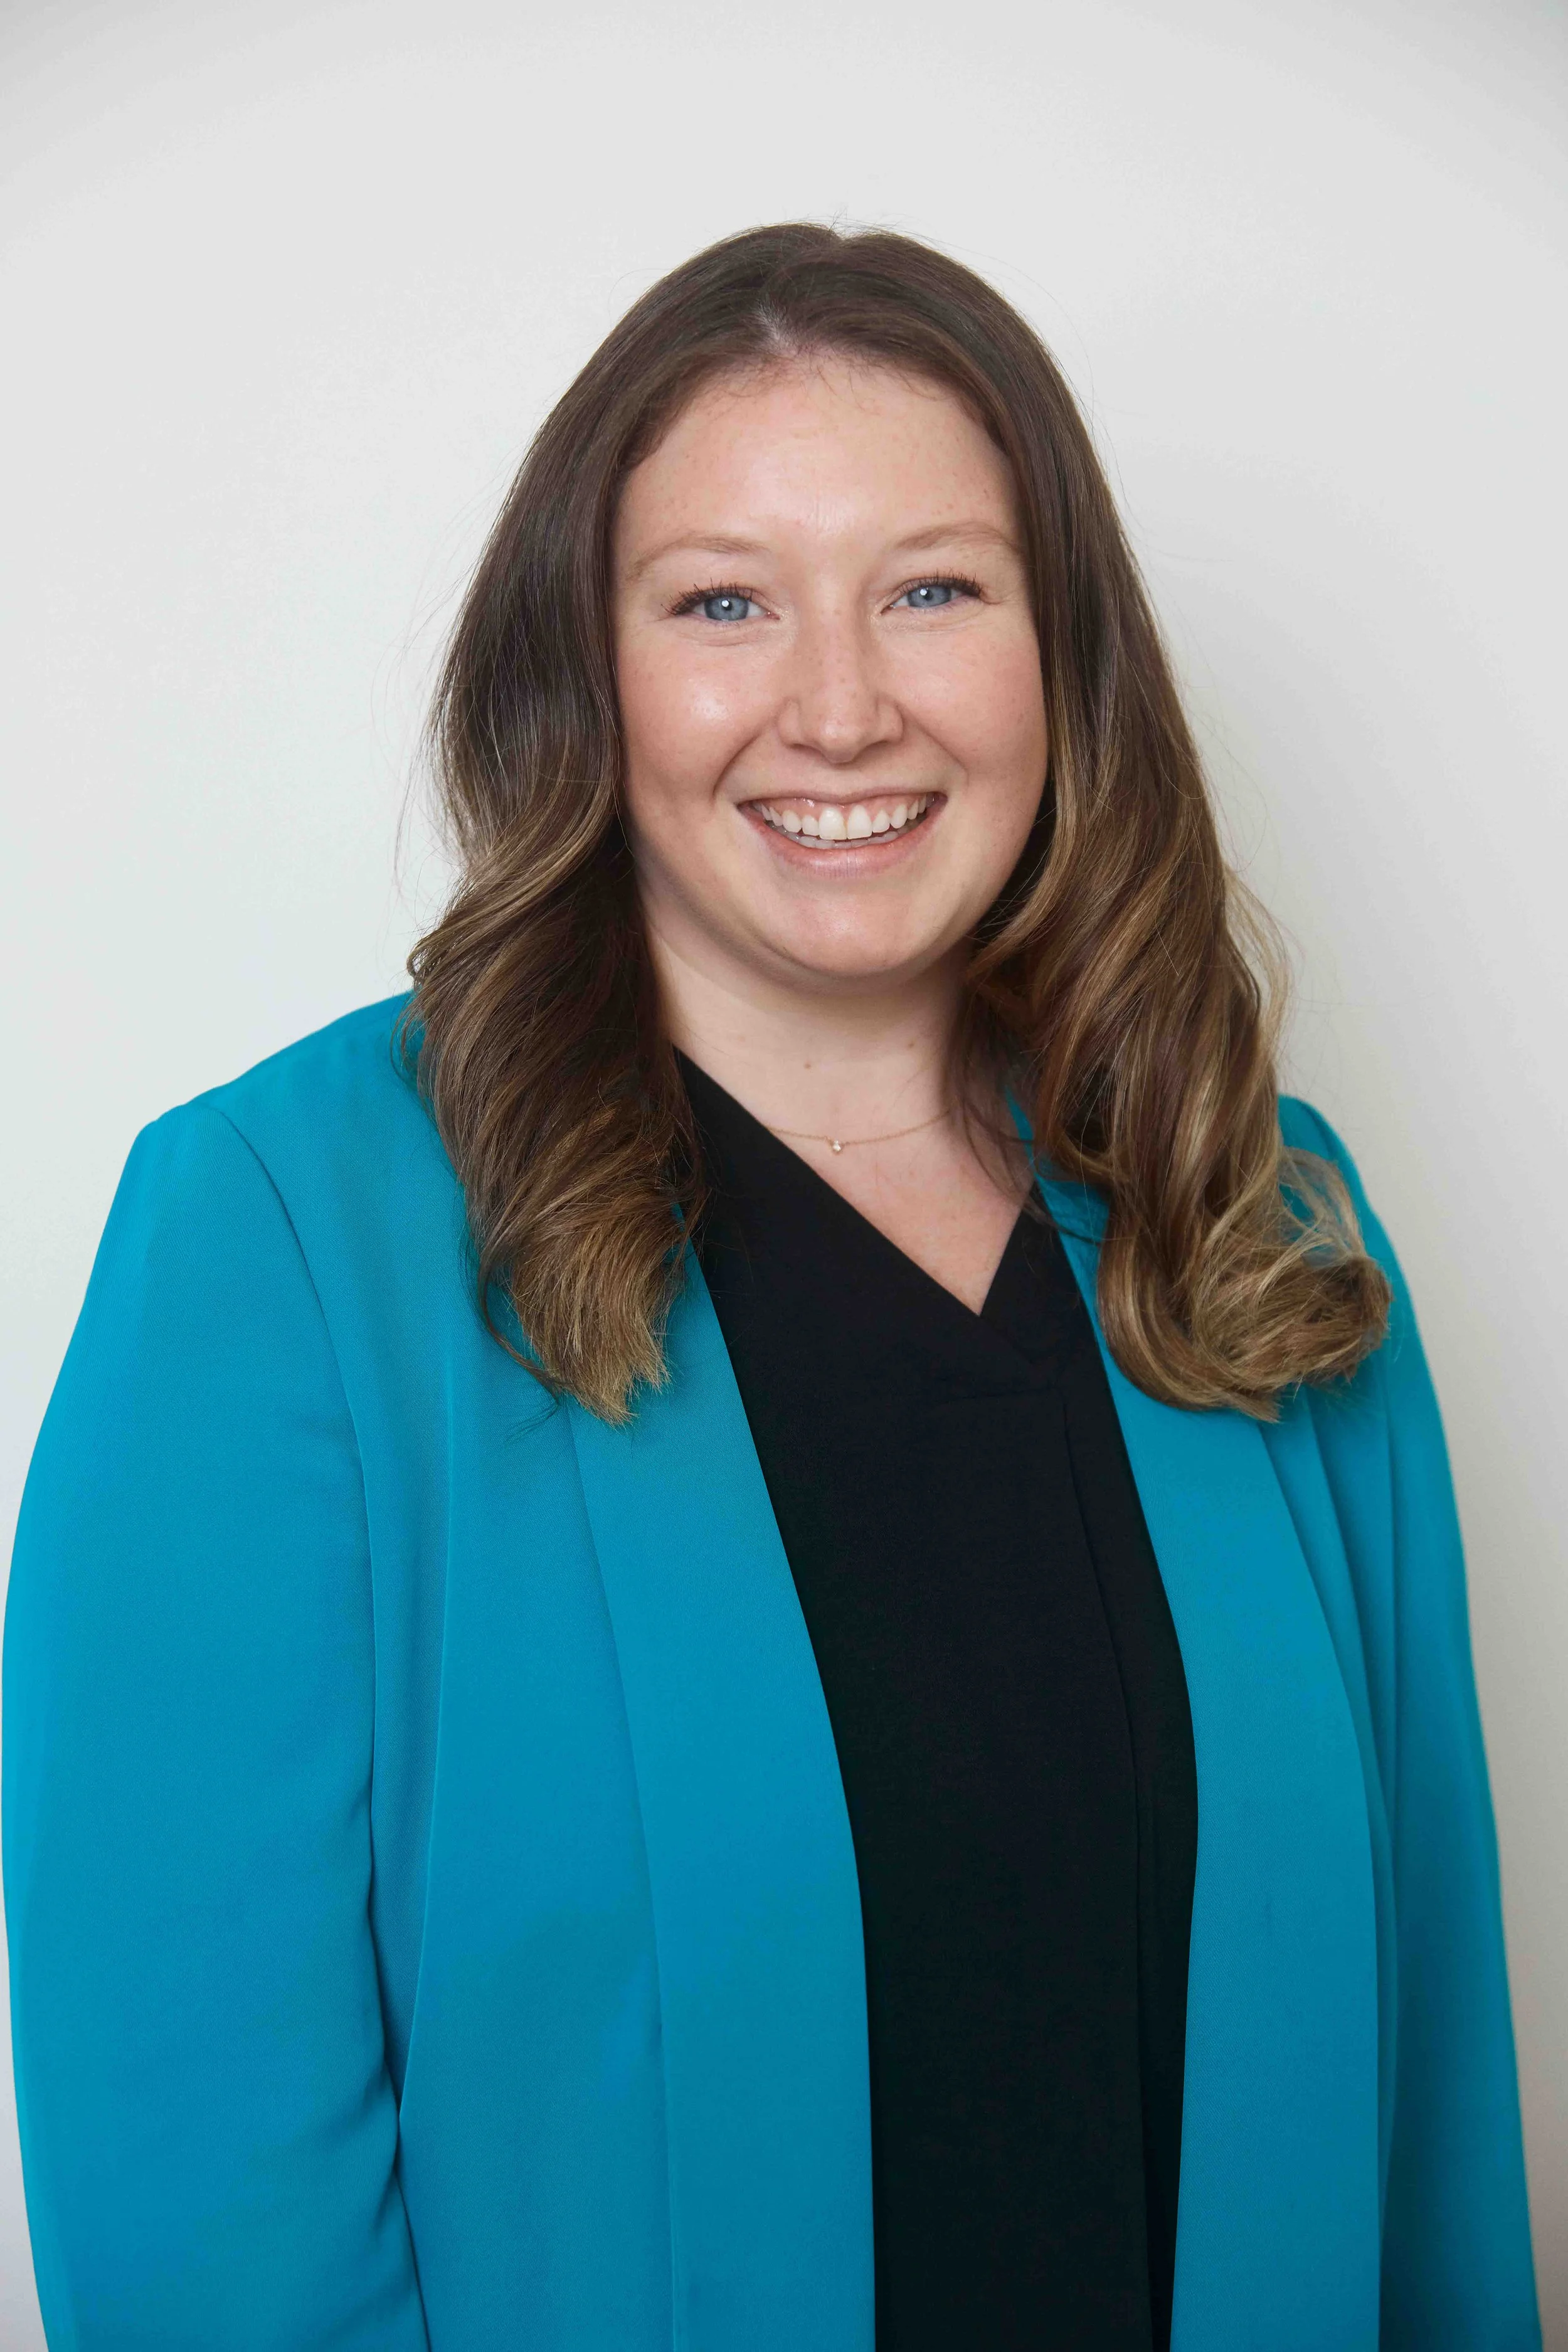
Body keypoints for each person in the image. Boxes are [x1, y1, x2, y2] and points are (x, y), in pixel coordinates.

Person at [3, 223, 1539, 2352]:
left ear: (1058, 655)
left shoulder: (1250, 1213)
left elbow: (1430, 2127)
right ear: (586, 667)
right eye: (722, 601)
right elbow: (202, 2216)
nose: (840, 704)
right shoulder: (284, 1244)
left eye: (933, 588)